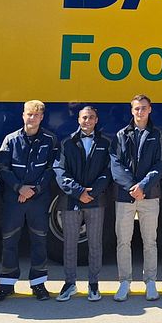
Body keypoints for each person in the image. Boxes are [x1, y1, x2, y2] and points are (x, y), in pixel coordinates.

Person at [0, 100, 58, 302]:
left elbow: (50, 169)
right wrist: (19, 188)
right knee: (9, 240)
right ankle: (6, 285)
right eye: (29, 114)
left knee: (39, 241)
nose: (32, 118)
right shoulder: (10, 139)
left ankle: (38, 284)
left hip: (38, 199)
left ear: (42, 117)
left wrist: (34, 190)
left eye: (36, 115)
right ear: (23, 115)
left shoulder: (50, 140)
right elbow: (3, 169)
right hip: (14, 198)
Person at [110, 94, 162, 302]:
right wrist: (132, 187)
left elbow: (161, 164)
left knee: (149, 241)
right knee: (123, 241)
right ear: (131, 110)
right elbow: (115, 165)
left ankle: (150, 282)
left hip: (149, 195)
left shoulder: (157, 134)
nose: (140, 112)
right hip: (125, 197)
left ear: (150, 110)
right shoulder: (121, 135)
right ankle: (124, 282)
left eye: (144, 108)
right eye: (137, 108)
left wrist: (143, 186)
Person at [53, 106, 111, 302]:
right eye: (84, 117)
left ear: (96, 120)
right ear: (78, 120)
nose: (87, 121)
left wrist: (93, 192)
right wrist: (79, 192)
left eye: (91, 118)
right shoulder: (67, 143)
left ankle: (93, 285)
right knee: (70, 243)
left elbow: (108, 171)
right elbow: (60, 171)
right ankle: (69, 284)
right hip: (71, 201)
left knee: (95, 244)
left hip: (96, 201)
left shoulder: (105, 143)